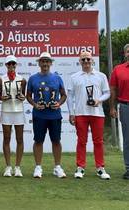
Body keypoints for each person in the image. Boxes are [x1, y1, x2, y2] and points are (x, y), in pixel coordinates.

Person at [67, 51, 111, 180]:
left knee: (98, 141)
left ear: (92, 61)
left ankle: (100, 168)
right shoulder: (74, 77)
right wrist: (71, 113)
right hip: (81, 113)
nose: (86, 62)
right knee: (81, 141)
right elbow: (70, 97)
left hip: (97, 113)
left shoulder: (101, 76)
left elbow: (107, 93)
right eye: (83, 59)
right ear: (79, 61)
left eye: (88, 59)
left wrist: (98, 100)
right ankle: (80, 168)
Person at [26, 52, 67, 178]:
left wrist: (59, 104)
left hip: (54, 115)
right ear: (39, 63)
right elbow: (28, 96)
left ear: (51, 63)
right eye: (42, 61)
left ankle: (57, 167)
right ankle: (38, 167)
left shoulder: (57, 78)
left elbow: (64, 95)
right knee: (38, 141)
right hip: (39, 115)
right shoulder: (33, 78)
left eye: (47, 61)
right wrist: (35, 104)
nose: (45, 63)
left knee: (56, 141)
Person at [0, 55, 26, 177]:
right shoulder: (1, 79)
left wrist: (23, 97)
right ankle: (8, 167)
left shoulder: (22, 79)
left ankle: (18, 167)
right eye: (9, 64)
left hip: (19, 111)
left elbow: (23, 95)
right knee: (6, 139)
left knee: (19, 139)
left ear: (16, 65)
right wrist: (1, 98)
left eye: (13, 64)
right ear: (6, 65)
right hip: (6, 111)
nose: (11, 66)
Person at [110, 43, 129, 179]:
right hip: (124, 106)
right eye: (128, 51)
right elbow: (113, 90)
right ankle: (128, 168)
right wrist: (111, 107)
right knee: (127, 139)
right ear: (125, 54)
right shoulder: (118, 69)